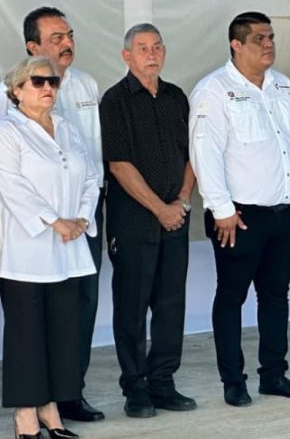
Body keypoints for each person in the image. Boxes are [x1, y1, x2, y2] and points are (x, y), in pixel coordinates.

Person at [0, 7, 105, 424]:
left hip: (70, 244)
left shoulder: (66, 126)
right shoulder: (5, 127)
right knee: (28, 336)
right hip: (29, 247)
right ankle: (26, 417)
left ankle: (54, 408)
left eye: (52, 81)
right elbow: (7, 181)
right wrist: (54, 220)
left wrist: (82, 218)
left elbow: (90, 172)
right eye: (39, 81)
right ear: (17, 89)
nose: (49, 86)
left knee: (63, 330)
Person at [189, 12, 290, 406]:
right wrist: (221, 209)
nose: (269, 45)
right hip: (240, 217)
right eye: (260, 38)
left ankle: (274, 375)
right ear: (236, 44)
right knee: (232, 297)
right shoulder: (214, 90)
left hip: (283, 212)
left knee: (276, 296)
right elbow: (204, 153)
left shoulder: (283, 86)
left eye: (271, 37)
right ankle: (234, 381)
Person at [99, 24, 197, 418]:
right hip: (135, 222)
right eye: (142, 48)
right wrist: (161, 208)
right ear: (127, 56)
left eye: (157, 47)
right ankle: (135, 387)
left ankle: (163, 382)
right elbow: (119, 165)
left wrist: (183, 200)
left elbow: (193, 154)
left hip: (177, 218)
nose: (151, 54)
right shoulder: (115, 101)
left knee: (172, 304)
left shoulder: (176, 97)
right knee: (132, 306)